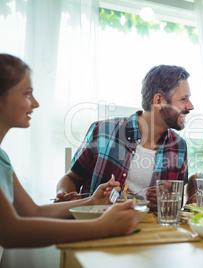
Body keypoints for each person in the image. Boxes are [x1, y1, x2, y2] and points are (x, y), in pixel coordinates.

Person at [0, 54, 139, 248]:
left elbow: (32, 212)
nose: (36, 103)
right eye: (27, 93)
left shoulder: (2, 158)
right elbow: (10, 232)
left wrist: (91, 202)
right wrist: (103, 227)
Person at [56, 65, 194, 211]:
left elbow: (177, 202)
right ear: (159, 100)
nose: (190, 106)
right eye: (184, 99)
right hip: (99, 226)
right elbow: (71, 178)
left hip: (153, 230)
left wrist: (169, 199)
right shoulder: (103, 132)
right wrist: (64, 195)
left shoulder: (179, 146)